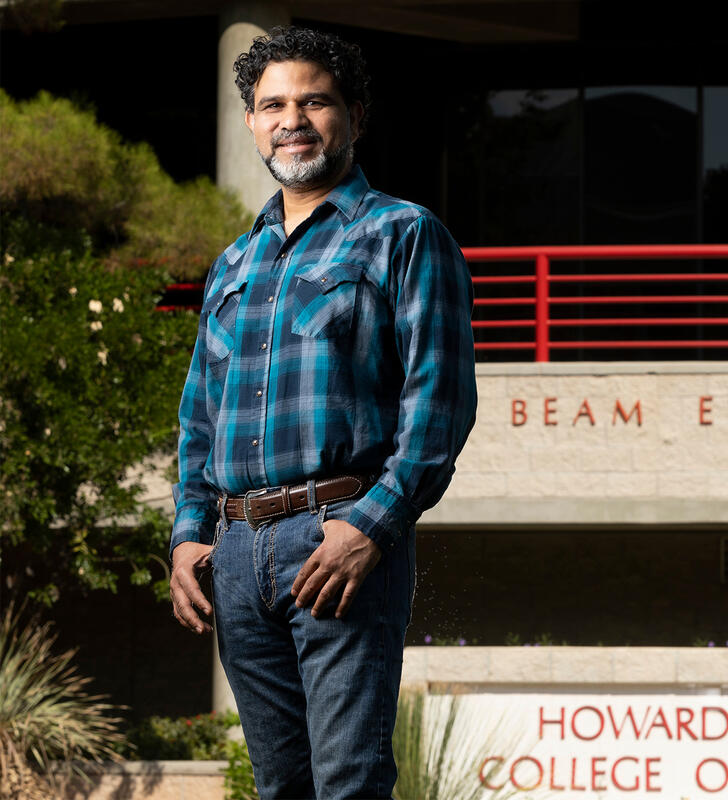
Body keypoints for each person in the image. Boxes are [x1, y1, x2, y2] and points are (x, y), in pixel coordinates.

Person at [167, 25, 476, 799]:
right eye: (273, 104)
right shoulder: (234, 263)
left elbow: (438, 401)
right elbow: (199, 416)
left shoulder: (402, 234)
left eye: (315, 101)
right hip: (235, 553)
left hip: (334, 536)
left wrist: (370, 526)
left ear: (355, 115)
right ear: (250, 123)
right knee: (281, 786)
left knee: (348, 779)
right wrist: (186, 535)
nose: (292, 119)